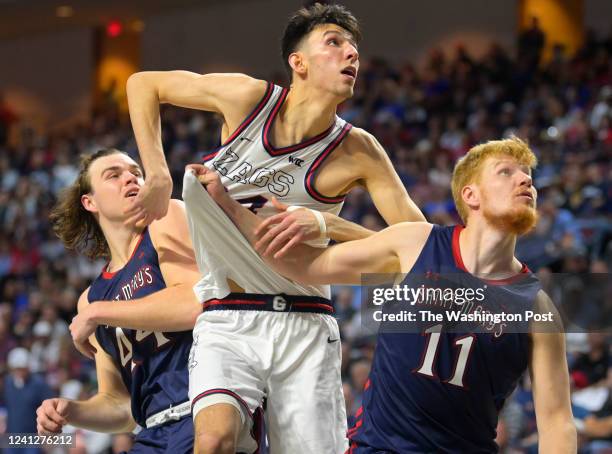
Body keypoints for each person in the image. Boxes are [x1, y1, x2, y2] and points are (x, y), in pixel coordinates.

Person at [126, 3, 424, 453]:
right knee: (213, 441)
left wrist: (328, 224)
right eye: (335, 43)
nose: (352, 55)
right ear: (297, 63)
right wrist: (157, 172)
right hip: (226, 316)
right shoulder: (247, 99)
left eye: (354, 49)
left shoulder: (358, 150)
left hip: (305, 323)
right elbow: (142, 83)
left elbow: (420, 248)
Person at [197, 136, 577, 452]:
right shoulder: (415, 242)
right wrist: (229, 206)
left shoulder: (536, 308)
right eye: (507, 172)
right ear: (471, 195)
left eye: (528, 175)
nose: (525, 181)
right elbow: (303, 266)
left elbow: (557, 420)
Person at [35, 149, 203, 453]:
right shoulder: (91, 299)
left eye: (135, 172)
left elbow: (194, 302)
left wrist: (101, 313)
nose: (131, 177)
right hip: (152, 430)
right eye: (114, 174)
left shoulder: (165, 219)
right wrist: (71, 411)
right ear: (90, 202)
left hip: (203, 409)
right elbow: (121, 406)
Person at [4, 347, 54, 454]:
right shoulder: (8, 383)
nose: (19, 372)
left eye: (22, 368)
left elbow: (50, 408)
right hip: (11, 437)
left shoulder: (38, 384)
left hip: (32, 438)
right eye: (16, 369)